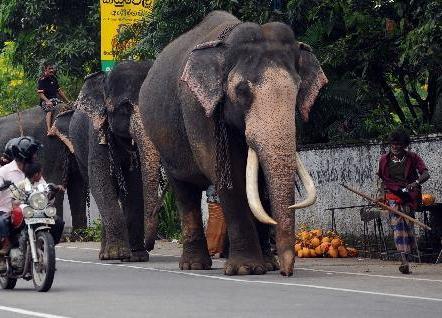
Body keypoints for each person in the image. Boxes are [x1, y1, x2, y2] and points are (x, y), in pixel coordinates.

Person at [377, 128, 430, 274]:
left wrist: (416, 183)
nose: (395, 147)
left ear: (404, 145)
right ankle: (404, 262)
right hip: (393, 198)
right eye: (393, 144)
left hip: (409, 197)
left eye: (399, 145)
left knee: (408, 227)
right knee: (398, 227)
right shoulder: (384, 160)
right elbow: (382, 180)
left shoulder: (413, 158)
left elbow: (425, 174)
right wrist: (382, 195)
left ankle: (406, 255)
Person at [37, 62, 70, 136]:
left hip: (55, 100)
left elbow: (59, 91)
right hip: (46, 101)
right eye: (49, 69)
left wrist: (68, 101)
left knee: (66, 107)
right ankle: (49, 130)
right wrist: (47, 101)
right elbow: (40, 94)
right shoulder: (42, 80)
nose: (52, 70)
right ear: (45, 70)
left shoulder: (54, 78)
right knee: (50, 109)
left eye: (52, 68)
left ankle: (56, 125)